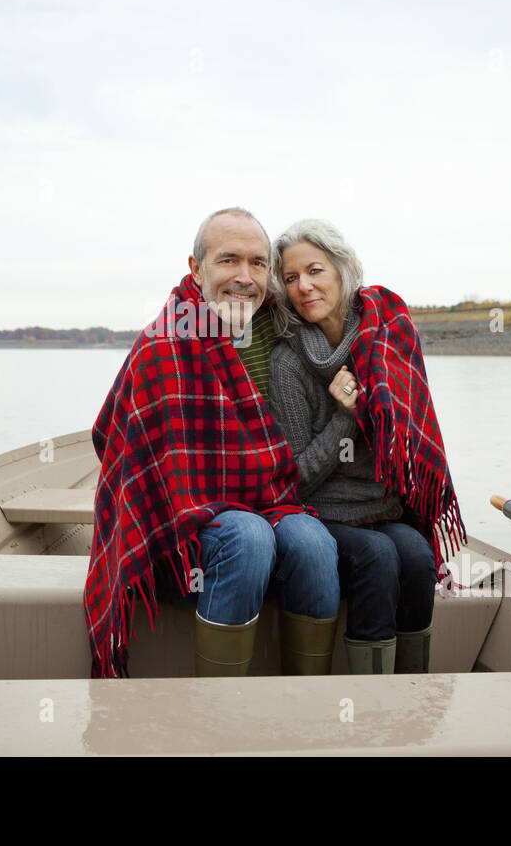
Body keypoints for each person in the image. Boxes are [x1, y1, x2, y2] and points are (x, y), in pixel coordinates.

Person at [85, 208, 340, 679]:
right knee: (247, 535)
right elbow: (109, 440)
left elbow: (343, 307)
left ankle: (310, 707)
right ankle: (219, 714)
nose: (245, 277)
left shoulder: (271, 333)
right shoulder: (164, 342)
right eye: (229, 260)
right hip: (171, 532)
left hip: (261, 506)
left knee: (314, 543)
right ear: (196, 268)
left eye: (259, 264)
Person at [267, 219, 466, 675]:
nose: (304, 286)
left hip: (383, 506)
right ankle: (370, 704)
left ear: (342, 269)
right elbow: (294, 480)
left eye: (315, 270)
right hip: (321, 515)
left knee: (416, 554)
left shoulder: (389, 338)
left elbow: (413, 438)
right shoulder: (287, 361)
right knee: (377, 557)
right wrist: (346, 416)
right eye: (292, 277)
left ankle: (411, 693)